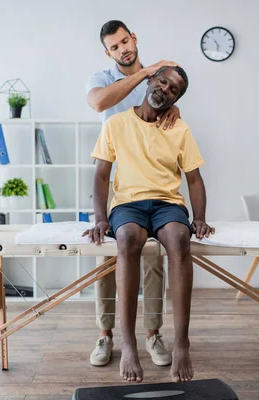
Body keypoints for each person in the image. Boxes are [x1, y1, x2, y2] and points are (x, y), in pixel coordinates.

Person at [84, 65, 214, 383]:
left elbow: (194, 180)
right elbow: (101, 175)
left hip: (167, 204)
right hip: (127, 205)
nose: (165, 90)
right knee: (127, 238)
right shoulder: (116, 124)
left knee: (180, 239)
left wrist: (199, 218)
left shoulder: (179, 129)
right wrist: (100, 218)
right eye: (163, 82)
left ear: (176, 99)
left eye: (173, 90)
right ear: (151, 80)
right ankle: (128, 345)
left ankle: (182, 342)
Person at [85, 20, 182, 369]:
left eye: (125, 41)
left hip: (152, 185)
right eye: (115, 46)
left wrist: (172, 106)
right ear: (108, 53)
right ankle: (105, 334)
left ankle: (153, 332)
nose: (123, 48)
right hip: (115, 183)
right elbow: (99, 104)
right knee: (107, 258)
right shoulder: (102, 79)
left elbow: (168, 106)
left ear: (134, 38)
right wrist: (144, 76)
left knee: (154, 258)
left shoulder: (159, 77)